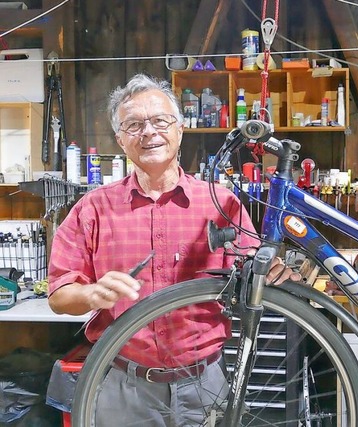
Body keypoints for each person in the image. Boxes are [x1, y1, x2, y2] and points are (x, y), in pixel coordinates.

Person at [47, 73, 300, 425]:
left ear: (179, 130)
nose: (148, 132)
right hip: (123, 385)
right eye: (133, 125)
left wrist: (271, 273)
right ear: (121, 140)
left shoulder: (220, 204)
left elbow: (251, 279)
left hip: (205, 384)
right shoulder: (93, 209)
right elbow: (60, 296)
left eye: (160, 121)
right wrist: (91, 293)